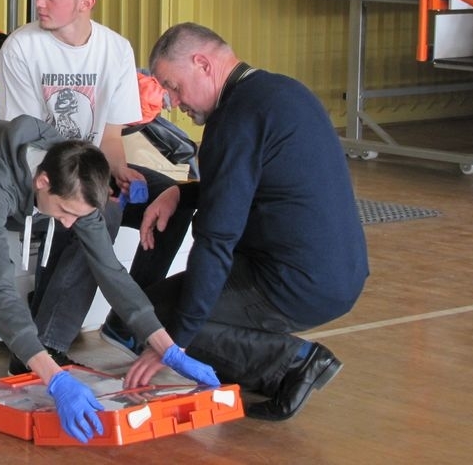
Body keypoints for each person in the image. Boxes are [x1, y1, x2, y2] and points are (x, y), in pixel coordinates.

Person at [0, 115, 219, 443]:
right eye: (66, 212)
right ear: (42, 182)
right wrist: (54, 379)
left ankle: (40, 350)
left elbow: (110, 270)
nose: (70, 223)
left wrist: (168, 347)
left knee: (93, 230)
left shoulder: (73, 175)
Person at [121, 22, 369, 421]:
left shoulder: (233, 121)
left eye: (174, 87)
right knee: (163, 314)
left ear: (203, 64)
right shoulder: (279, 92)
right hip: (341, 273)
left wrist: (173, 342)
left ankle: (293, 362)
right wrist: (182, 193)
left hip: (294, 282)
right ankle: (266, 367)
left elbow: (215, 241)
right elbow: (256, 183)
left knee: (152, 317)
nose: (172, 102)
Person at [0, 0, 193, 361]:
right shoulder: (21, 48)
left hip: (90, 168)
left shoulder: (116, 49)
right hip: (36, 173)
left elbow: (112, 136)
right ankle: (45, 346)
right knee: (101, 208)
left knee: (172, 198)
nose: (39, 2)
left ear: (86, 1)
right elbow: (25, 143)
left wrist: (118, 170)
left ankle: (127, 322)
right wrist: (98, 184)